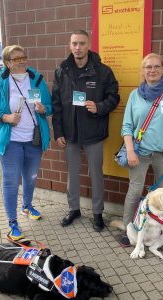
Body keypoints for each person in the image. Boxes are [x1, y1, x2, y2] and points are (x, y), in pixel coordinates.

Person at [0, 45, 52, 240]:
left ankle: (27, 206)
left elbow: (50, 106)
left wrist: (44, 109)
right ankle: (12, 222)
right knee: (11, 182)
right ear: (7, 63)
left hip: (33, 140)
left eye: (23, 57)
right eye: (16, 58)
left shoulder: (36, 79)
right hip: (10, 142)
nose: (21, 61)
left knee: (31, 177)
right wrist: (5, 117)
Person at [52, 30, 120, 232]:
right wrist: (58, 132)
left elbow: (114, 97)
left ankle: (98, 213)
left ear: (88, 45)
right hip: (70, 133)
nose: (78, 47)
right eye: (74, 43)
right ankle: (74, 209)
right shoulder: (61, 71)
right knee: (72, 173)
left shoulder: (103, 71)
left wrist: (99, 107)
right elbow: (56, 104)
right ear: (70, 45)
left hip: (93, 131)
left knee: (96, 173)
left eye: (81, 43)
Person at [119, 53, 163, 247]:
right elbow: (127, 127)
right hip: (139, 153)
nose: (152, 70)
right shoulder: (134, 95)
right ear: (143, 71)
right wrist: (130, 151)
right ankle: (128, 228)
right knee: (135, 190)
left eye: (156, 66)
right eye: (148, 67)